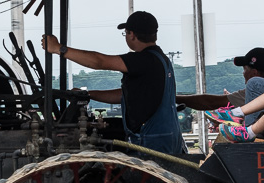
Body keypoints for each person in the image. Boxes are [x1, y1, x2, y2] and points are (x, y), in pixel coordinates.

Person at [40, 10, 185, 156]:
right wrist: (87, 94)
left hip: (152, 141)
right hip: (167, 136)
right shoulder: (161, 60)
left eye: (126, 33)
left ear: (131, 34)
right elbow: (124, 95)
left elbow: (99, 61)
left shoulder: (143, 60)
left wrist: (59, 49)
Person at [176, 46, 264, 127]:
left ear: (254, 74)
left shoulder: (252, 92)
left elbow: (209, 102)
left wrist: (174, 98)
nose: (243, 74)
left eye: (245, 70)